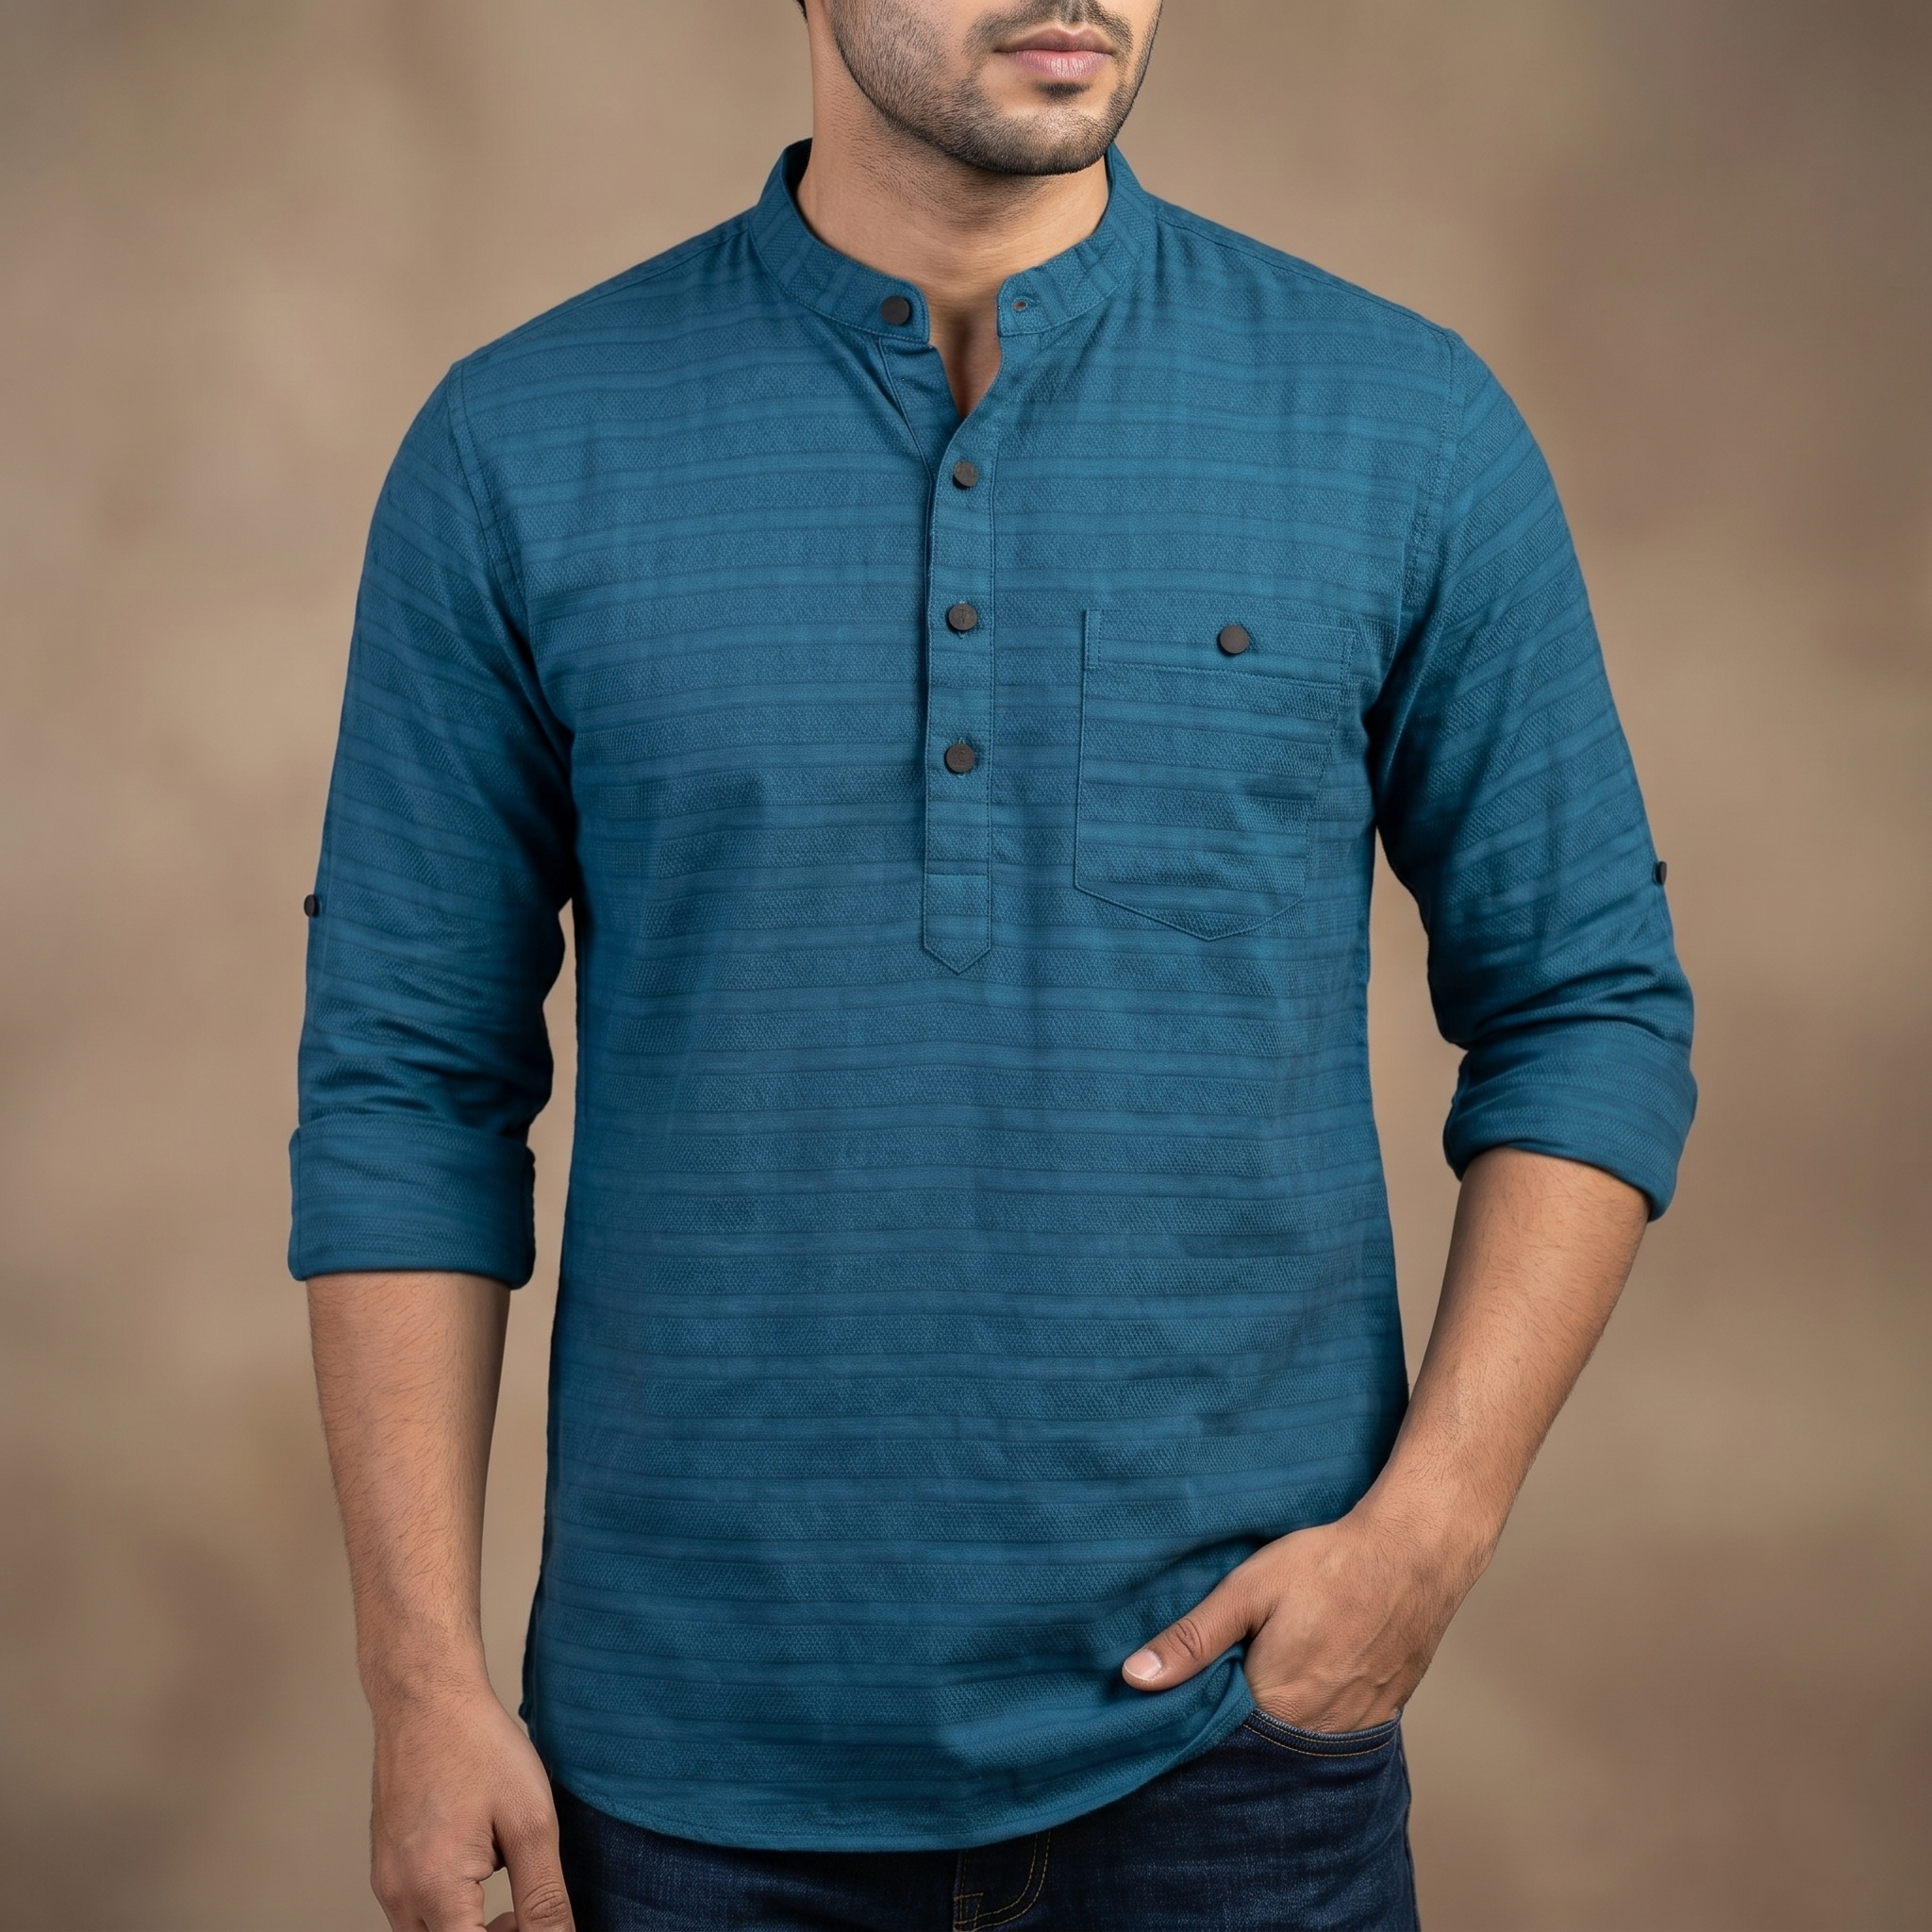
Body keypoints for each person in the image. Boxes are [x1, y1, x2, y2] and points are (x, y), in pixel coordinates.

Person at [293, 2, 1696, 1926]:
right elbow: (408, 1085)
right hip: (677, 1787)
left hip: (1234, 1763)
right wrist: (418, 1682)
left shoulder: (1401, 423)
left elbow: (1588, 1003)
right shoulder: (519, 444)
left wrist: (1429, 1534)